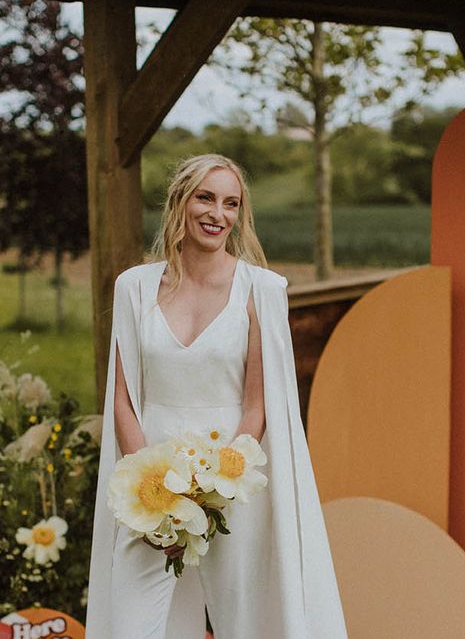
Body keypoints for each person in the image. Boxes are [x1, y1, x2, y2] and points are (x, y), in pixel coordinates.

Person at [85, 154, 347, 639]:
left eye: (231, 203)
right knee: (137, 623)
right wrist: (155, 498)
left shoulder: (261, 290)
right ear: (181, 202)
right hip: (149, 480)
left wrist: (210, 494)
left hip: (233, 476)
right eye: (206, 197)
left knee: (245, 619)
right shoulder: (134, 288)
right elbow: (122, 399)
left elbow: (258, 405)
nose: (217, 213)